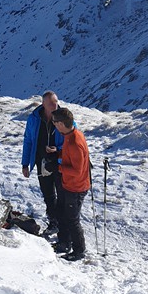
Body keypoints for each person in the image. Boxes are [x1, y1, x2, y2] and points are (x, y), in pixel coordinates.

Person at [21, 91, 63, 238]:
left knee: (61, 195)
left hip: (59, 162)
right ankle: (54, 223)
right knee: (48, 194)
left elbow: (71, 140)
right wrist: (25, 163)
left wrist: (57, 150)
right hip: (41, 162)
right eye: (51, 103)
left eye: (56, 101)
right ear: (43, 104)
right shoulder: (34, 119)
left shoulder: (63, 117)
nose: (55, 105)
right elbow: (28, 141)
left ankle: (63, 226)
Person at [51, 106, 91, 261]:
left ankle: (79, 250)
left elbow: (77, 171)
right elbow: (70, 157)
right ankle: (65, 243)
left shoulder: (75, 141)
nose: (53, 124)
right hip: (70, 184)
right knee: (63, 214)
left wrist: (58, 167)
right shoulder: (70, 135)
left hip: (76, 187)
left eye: (55, 122)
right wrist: (58, 153)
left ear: (61, 123)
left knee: (72, 219)